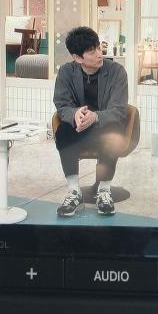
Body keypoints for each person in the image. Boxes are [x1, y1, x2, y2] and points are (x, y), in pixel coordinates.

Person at [53, 26, 128, 217]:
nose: (99, 54)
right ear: (77, 58)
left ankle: (104, 190)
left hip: (105, 126)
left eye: (99, 47)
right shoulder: (66, 72)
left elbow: (119, 110)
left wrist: (96, 116)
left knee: (113, 133)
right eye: (92, 51)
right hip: (79, 129)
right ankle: (74, 191)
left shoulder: (117, 72)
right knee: (63, 131)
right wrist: (75, 114)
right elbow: (62, 104)